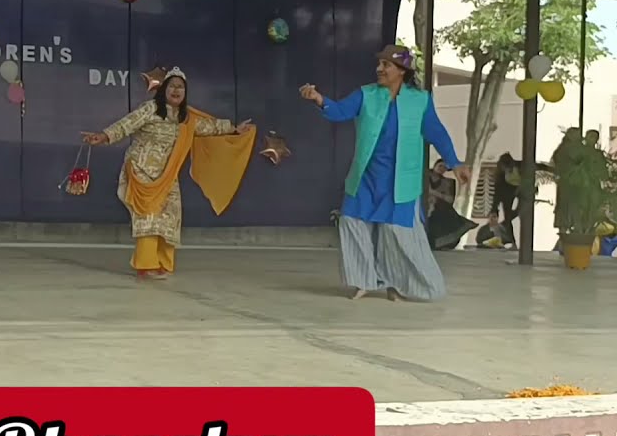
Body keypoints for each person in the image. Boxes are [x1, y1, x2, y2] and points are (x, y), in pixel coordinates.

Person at [299, 44, 470, 302]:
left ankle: (406, 284)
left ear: (402, 70)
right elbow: (341, 111)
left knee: (398, 233)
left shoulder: (419, 100)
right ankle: (365, 280)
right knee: (352, 222)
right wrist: (319, 100)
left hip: (401, 180)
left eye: (386, 65)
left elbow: (437, 132)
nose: (379, 69)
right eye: (379, 64)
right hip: (367, 176)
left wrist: (455, 163)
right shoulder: (366, 94)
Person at [81, 67, 256, 280]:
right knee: (149, 217)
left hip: (167, 175)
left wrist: (234, 128)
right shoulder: (151, 109)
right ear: (163, 89)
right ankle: (145, 265)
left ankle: (163, 263)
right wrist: (104, 136)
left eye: (180, 87)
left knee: (170, 217)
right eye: (172, 86)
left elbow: (210, 127)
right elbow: (126, 124)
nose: (176, 90)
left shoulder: (186, 119)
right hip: (141, 170)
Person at [426, 161, 476, 251]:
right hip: (425, 206)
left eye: (444, 167)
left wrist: (435, 193)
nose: (442, 169)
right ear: (434, 165)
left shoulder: (448, 182)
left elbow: (450, 199)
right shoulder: (424, 177)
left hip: (440, 208)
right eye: (440, 166)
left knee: (449, 218)